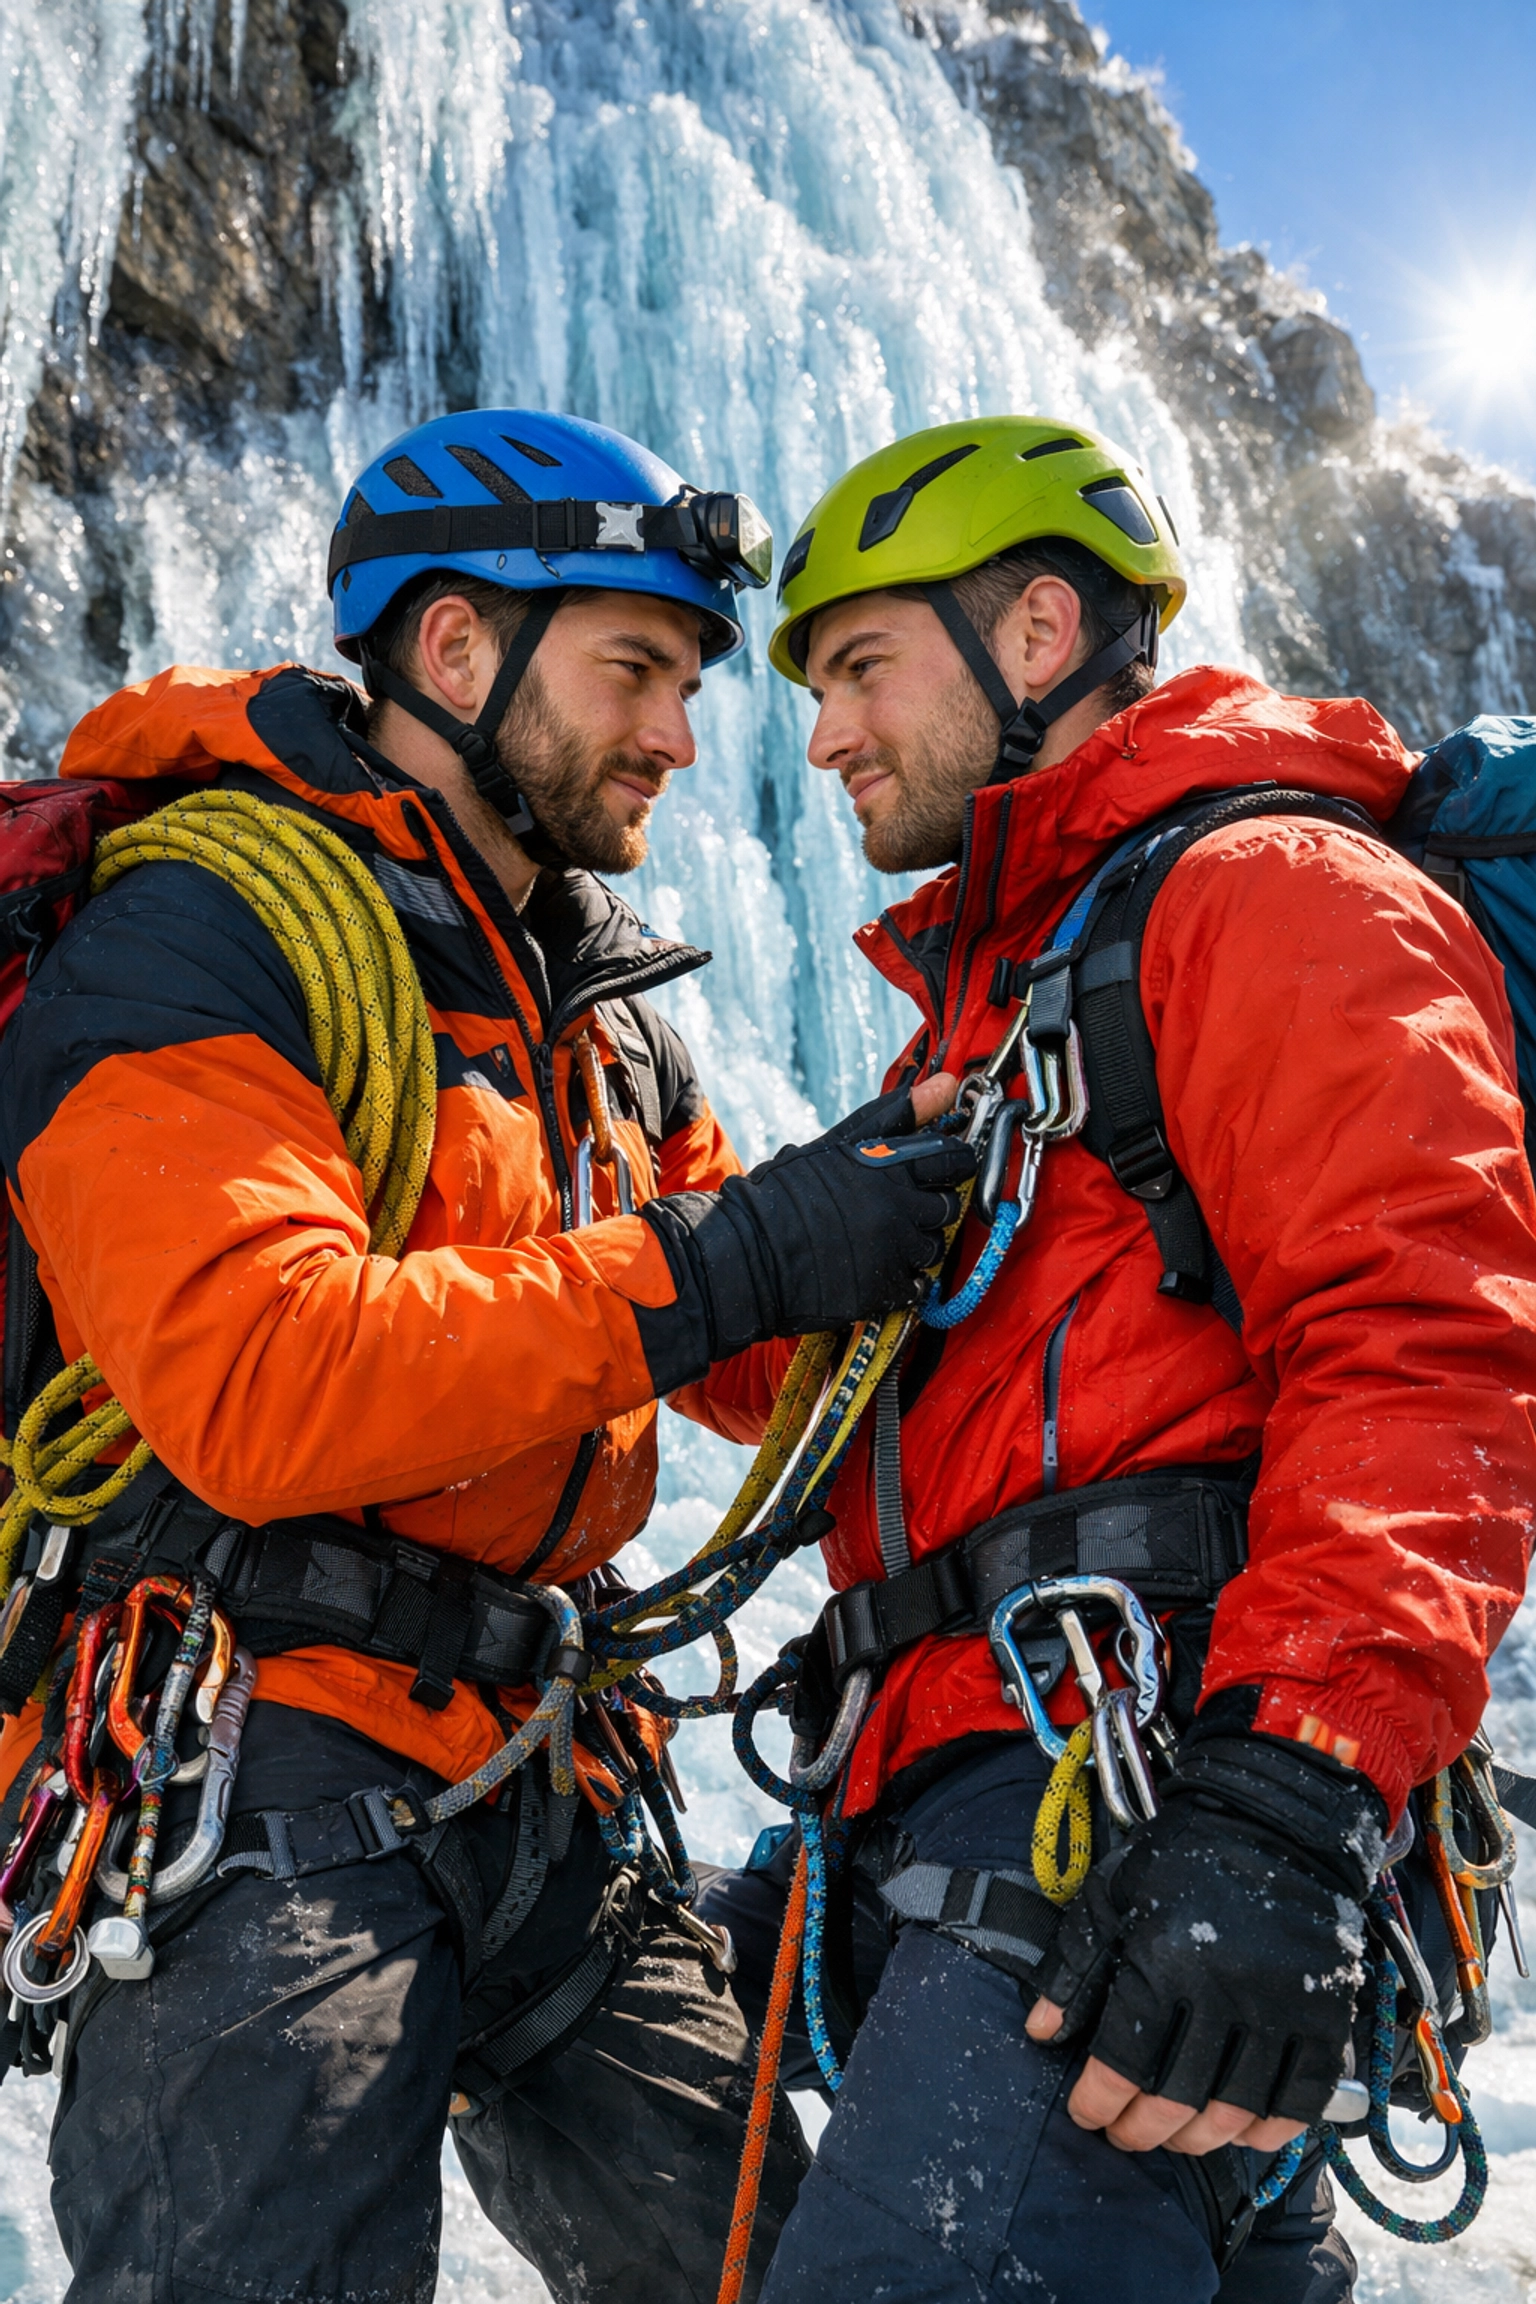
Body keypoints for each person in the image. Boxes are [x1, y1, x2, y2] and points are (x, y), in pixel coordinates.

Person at [0, 408, 971, 2304]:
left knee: (783, 2270)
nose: (680, 740)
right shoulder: (196, 930)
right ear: (455, 653)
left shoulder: (586, 1006)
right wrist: (750, 1248)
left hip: (542, 1774)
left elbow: (767, 1364)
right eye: (637, 670)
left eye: (687, 684)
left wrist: (955, 1186)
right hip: (243, 1772)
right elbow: (260, 1382)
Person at [693, 415, 1536, 2303]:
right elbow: (861, 1405)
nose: (825, 735)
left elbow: (1429, 1353)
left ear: (1043, 631)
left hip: (1133, 1793)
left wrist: (1292, 1799)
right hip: (1015, 1804)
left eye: (859, 667)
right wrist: (677, 1249)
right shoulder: (1026, 999)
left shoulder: (1274, 895)